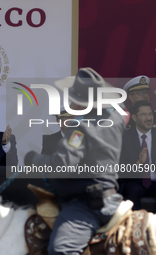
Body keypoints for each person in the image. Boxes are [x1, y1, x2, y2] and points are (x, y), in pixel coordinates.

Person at [24, 67, 125, 255]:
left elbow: (60, 166)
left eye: (74, 98)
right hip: (109, 197)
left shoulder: (80, 127)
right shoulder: (115, 119)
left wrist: (32, 158)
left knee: (61, 250)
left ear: (82, 102)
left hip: (87, 204)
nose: (71, 101)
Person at [118, 101, 156, 210]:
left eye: (150, 114)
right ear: (134, 118)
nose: (149, 118)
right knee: (133, 190)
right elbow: (120, 170)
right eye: (144, 114)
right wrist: (138, 163)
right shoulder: (124, 137)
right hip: (134, 182)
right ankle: (135, 225)